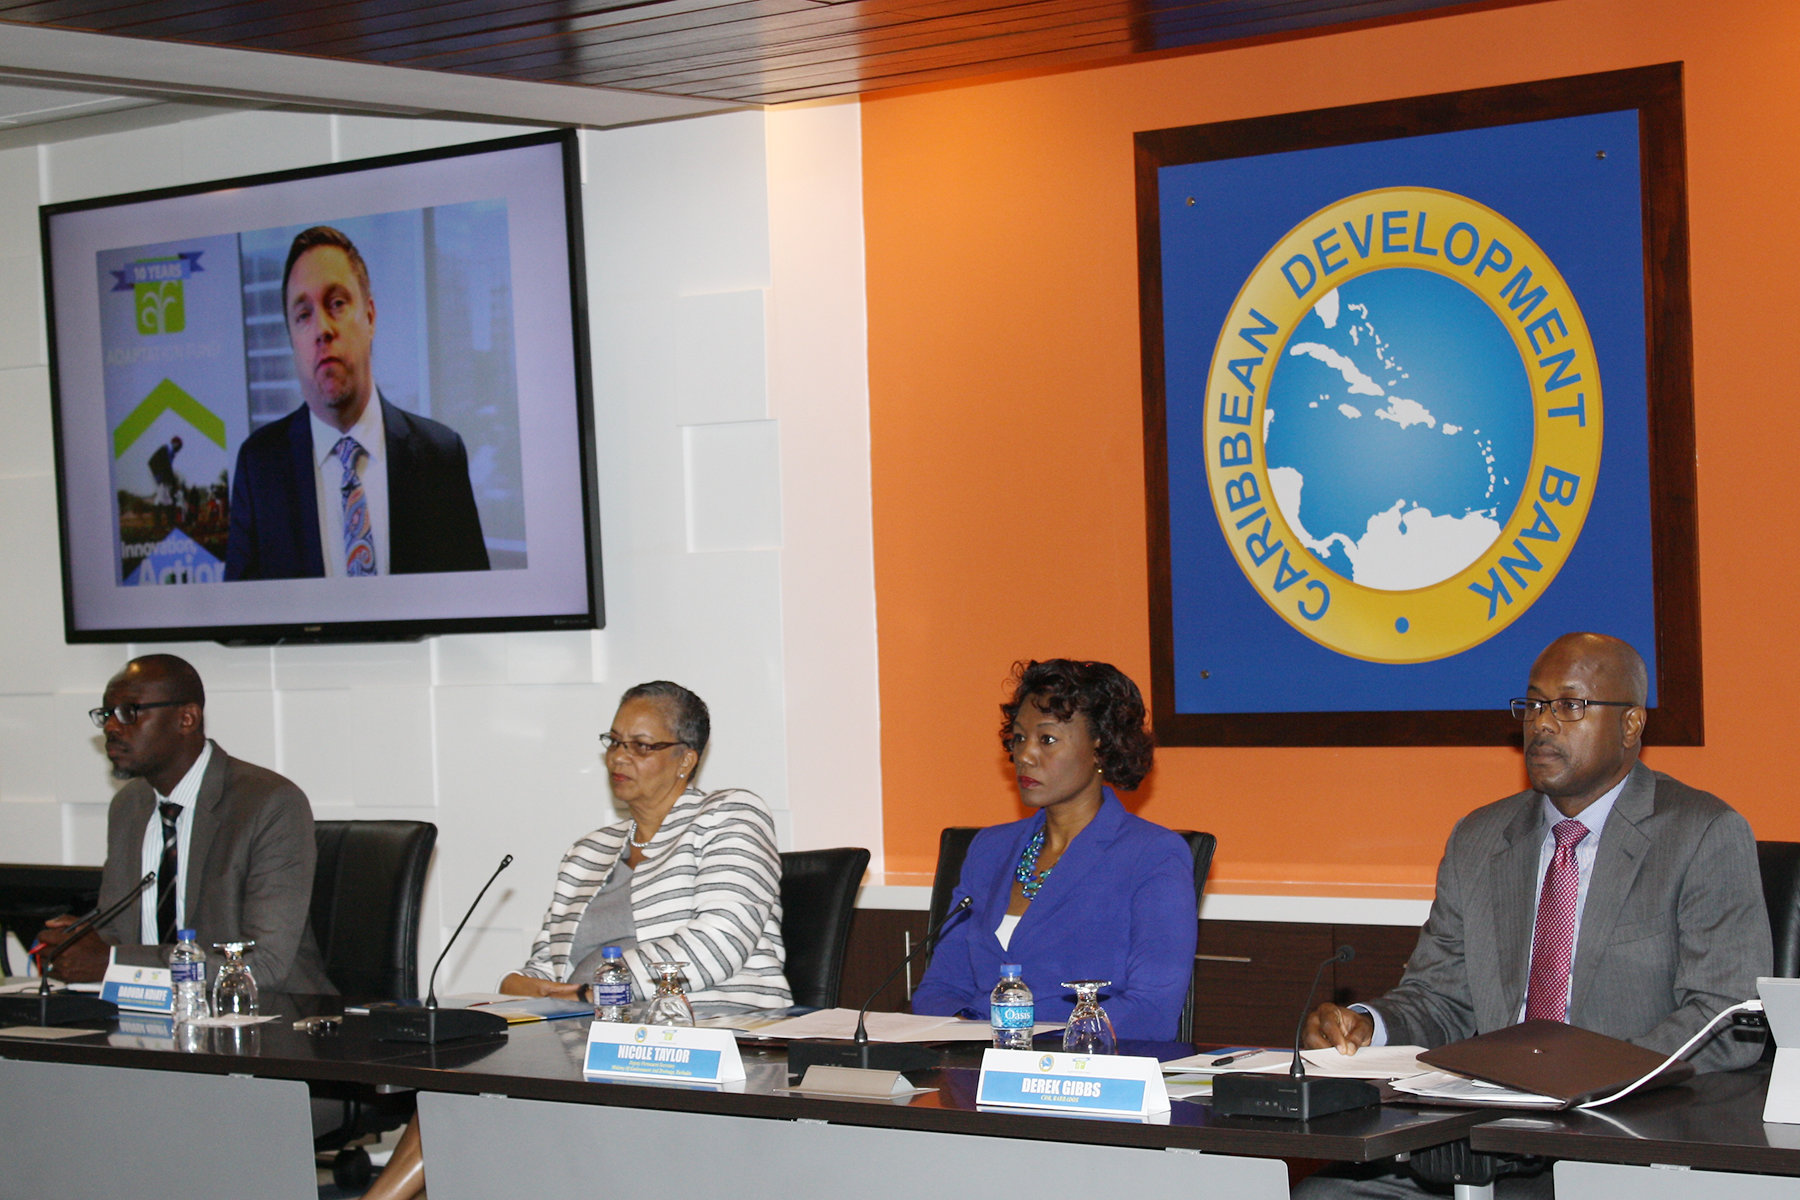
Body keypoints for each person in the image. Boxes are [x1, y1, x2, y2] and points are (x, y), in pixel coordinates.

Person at [1298, 632, 1771, 1198]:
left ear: (1630, 726)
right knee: (1326, 1194)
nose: (1543, 724)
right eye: (1533, 705)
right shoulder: (1481, 837)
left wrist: (1582, 1077)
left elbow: (1726, 1017)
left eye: (1570, 706)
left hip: (1621, 1141)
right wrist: (1368, 1028)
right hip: (1481, 1136)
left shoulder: (1701, 834)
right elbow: (1441, 996)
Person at [364, 680, 790, 1200]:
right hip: (586, 1043)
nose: (619, 756)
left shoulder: (729, 815)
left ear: (686, 760)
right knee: (465, 1074)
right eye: (613, 741)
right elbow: (538, 971)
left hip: (701, 1041)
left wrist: (594, 991)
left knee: (489, 1089)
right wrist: (554, 992)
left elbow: (718, 940)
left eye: (641, 744)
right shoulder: (590, 851)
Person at [910, 658, 1199, 1040]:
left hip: (1084, 1077)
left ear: (1100, 747)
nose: (1025, 755)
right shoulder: (988, 850)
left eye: (1046, 739)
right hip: (973, 1072)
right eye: (1018, 738)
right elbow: (939, 991)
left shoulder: (1153, 855)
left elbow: (1151, 1011)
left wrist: (1016, 1035)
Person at [37, 655, 332, 993]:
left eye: (128, 712)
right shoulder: (129, 806)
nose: (111, 727)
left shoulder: (269, 804)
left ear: (187, 718)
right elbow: (117, 934)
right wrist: (74, 946)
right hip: (149, 1017)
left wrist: (116, 961)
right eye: (106, 715)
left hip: (266, 1020)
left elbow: (264, 964)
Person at [224, 225, 489, 580]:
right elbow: (247, 627)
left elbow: (473, 613)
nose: (322, 329)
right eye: (303, 315)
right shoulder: (259, 469)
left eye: (336, 304)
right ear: (292, 340)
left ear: (370, 316)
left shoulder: (440, 456)